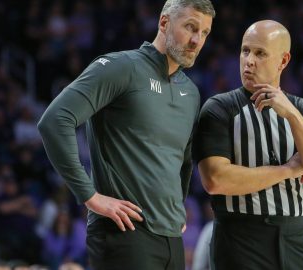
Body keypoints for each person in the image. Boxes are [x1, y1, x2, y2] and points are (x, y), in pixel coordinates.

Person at [37, 1, 215, 269]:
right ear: (164, 23)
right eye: (190, 27)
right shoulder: (121, 67)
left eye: (204, 33)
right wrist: (90, 196)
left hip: (171, 239)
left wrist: (176, 207)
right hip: (123, 233)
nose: (196, 40)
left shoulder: (190, 92)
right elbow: (54, 120)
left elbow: (185, 159)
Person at [193, 20, 303, 269]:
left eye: (260, 53)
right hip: (240, 239)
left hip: (296, 240)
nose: (249, 60)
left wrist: (292, 115)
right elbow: (216, 180)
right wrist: (289, 170)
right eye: (245, 50)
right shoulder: (219, 108)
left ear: (283, 61)